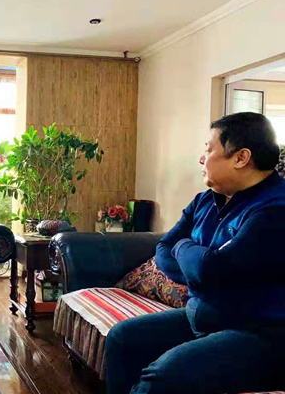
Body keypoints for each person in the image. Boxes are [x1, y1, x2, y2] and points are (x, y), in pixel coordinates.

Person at [104, 112, 285, 394]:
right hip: (200, 317)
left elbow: (210, 269)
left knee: (162, 377)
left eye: (209, 150)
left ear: (241, 158)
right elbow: (164, 251)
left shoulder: (274, 209)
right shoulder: (204, 201)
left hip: (259, 332)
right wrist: (198, 263)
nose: (202, 159)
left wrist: (185, 248)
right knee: (121, 338)